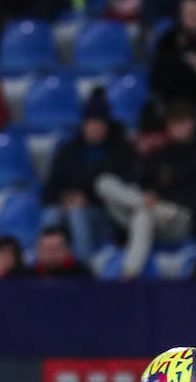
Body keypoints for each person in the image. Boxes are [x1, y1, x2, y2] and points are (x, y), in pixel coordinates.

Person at [96, 105, 196, 278]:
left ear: (192, 123)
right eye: (173, 124)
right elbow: (143, 181)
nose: (178, 128)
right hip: (150, 209)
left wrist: (162, 199)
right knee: (104, 182)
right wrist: (146, 197)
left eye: (182, 122)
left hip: (180, 217)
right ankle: (142, 204)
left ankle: (129, 275)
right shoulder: (162, 153)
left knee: (143, 216)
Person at [40, 91, 136, 263]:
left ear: (107, 125)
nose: (95, 127)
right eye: (91, 122)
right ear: (84, 124)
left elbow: (125, 193)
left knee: (78, 214)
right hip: (67, 209)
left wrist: (86, 200)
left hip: (105, 216)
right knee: (50, 214)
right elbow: (50, 188)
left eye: (100, 123)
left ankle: (82, 271)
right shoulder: (68, 151)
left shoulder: (121, 152)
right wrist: (64, 198)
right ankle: (45, 269)